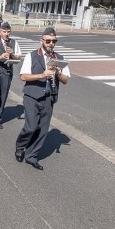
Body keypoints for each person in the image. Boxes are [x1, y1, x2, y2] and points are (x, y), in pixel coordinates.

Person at [15, 27, 70, 170]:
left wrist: (58, 72)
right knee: (31, 126)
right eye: (48, 41)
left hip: (49, 96)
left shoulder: (59, 58)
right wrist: (42, 75)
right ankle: (20, 146)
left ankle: (31, 156)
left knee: (43, 129)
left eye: (54, 41)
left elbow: (65, 80)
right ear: (42, 41)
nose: (51, 43)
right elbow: (23, 76)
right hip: (32, 96)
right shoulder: (32, 56)